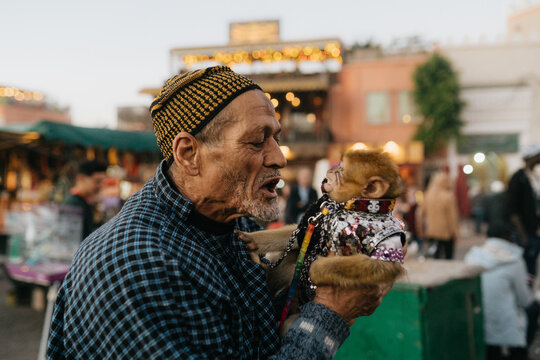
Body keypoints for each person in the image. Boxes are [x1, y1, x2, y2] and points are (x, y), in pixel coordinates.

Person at [47, 66, 393, 359]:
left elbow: (254, 337)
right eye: (257, 141)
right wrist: (330, 314)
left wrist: (321, 284)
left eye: (275, 138)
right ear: (188, 153)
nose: (279, 158)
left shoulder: (234, 222)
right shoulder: (134, 263)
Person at [464, 223, 532, 360]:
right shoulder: (515, 260)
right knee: (531, 309)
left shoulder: (472, 256)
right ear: (507, 237)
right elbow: (524, 300)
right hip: (507, 325)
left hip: (480, 321)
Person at [507, 144, 540, 277]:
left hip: (533, 231)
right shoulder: (518, 178)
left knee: (531, 266)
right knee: (527, 269)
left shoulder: (531, 176)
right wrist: (522, 234)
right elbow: (512, 209)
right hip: (525, 233)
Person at [418, 171, 459, 259]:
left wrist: (420, 229)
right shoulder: (448, 196)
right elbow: (452, 217)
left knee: (436, 258)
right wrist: (455, 232)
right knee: (448, 259)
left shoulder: (427, 195)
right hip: (446, 233)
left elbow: (419, 215)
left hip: (432, 232)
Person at [63, 160, 107, 240]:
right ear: (81, 179)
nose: (100, 186)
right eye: (97, 181)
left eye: (102, 182)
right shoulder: (73, 204)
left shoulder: (85, 202)